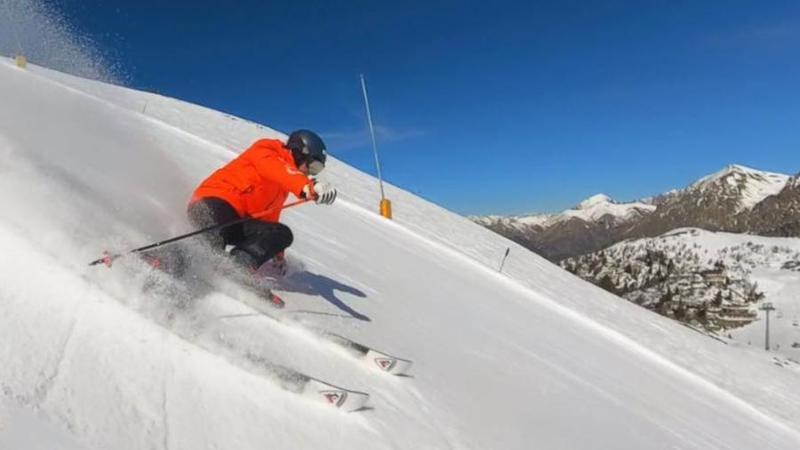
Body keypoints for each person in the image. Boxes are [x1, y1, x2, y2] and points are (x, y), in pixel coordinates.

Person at [186, 129, 337, 281]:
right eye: (313, 166)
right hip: (212, 205)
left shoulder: (283, 187)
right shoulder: (266, 151)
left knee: (282, 233)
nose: (310, 173)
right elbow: (277, 169)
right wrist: (308, 187)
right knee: (211, 243)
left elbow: (269, 218)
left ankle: (238, 266)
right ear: (299, 153)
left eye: (316, 170)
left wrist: (276, 251)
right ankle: (175, 257)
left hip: (236, 223)